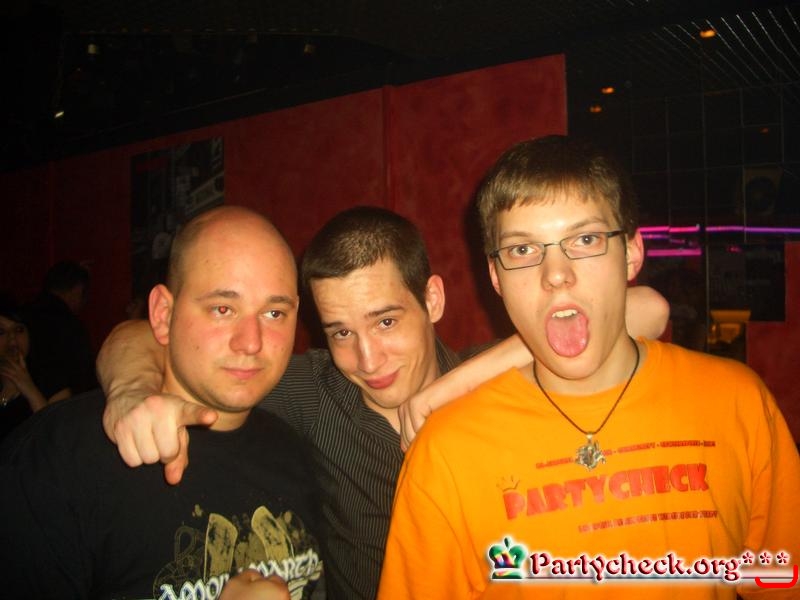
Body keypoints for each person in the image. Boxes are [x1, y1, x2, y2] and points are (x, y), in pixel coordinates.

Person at [98, 206, 670, 599]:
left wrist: (446, 393)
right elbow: (143, 335)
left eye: (386, 321)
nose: (367, 359)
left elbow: (646, 309)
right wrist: (130, 393)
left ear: (433, 299)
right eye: (341, 332)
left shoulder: (497, 379)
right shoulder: (315, 392)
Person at [377, 136, 800, 599]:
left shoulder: (737, 403)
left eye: (585, 239)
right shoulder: (446, 454)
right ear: (496, 277)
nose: (556, 274)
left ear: (632, 253)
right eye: (522, 249)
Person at [0, 206, 323, 599]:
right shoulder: (57, 458)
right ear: (163, 313)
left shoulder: (298, 450)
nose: (251, 342)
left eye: (274, 313)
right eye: (223, 309)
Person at [22, 259, 97, 395]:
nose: (85, 302)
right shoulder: (70, 325)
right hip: (61, 402)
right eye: (84, 295)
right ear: (77, 290)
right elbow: (83, 377)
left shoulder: (21, 315)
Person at [0, 302, 70, 441]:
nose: (12, 339)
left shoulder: (52, 380)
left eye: (19, 330)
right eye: (1, 332)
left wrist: (28, 388)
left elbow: (59, 438)